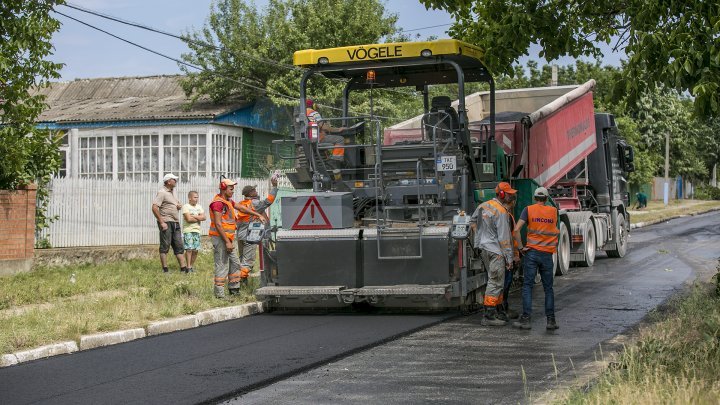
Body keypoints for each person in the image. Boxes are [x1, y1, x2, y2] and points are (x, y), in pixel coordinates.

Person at [470, 182, 518, 326]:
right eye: (509, 193)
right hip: (496, 251)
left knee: (496, 280)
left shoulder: (483, 206)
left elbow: (472, 221)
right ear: (502, 194)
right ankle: (489, 315)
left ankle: (498, 311)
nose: (512, 196)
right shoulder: (501, 212)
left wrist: (478, 240)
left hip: (484, 249)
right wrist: (510, 259)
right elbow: (504, 239)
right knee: (496, 281)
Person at [513, 187, 560, 330]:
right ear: (546, 199)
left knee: (528, 286)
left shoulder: (528, 209)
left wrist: (520, 248)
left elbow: (516, 230)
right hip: (547, 254)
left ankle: (526, 319)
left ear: (534, 198)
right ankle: (551, 321)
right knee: (548, 288)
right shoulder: (553, 211)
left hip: (532, 253)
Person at [237, 177, 278, 283]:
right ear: (250, 194)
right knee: (248, 262)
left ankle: (242, 281)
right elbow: (268, 201)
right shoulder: (255, 204)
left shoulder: (242, 203)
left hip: (241, 235)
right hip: (249, 237)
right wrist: (274, 187)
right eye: (254, 190)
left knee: (242, 259)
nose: (256, 191)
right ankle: (237, 284)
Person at [209, 178, 244, 298]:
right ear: (223, 187)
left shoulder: (228, 201)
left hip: (228, 238)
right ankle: (219, 295)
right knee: (222, 264)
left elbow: (241, 208)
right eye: (231, 188)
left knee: (235, 263)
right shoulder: (218, 203)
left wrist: (257, 214)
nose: (233, 191)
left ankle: (234, 290)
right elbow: (218, 224)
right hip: (220, 238)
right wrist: (227, 242)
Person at [152, 173, 188, 273]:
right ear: (168, 181)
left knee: (179, 245)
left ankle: (183, 269)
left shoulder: (173, 192)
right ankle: (165, 269)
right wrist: (161, 222)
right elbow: (154, 208)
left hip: (175, 222)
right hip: (166, 221)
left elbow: (173, 204)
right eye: (174, 180)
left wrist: (178, 206)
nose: (176, 181)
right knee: (165, 245)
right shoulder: (162, 192)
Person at [306, 98, 346, 168]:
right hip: (318, 138)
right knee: (340, 139)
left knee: (328, 137)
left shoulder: (302, 113)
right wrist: (338, 129)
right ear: (313, 105)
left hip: (308, 138)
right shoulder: (313, 113)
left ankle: (329, 159)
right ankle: (336, 160)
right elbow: (324, 127)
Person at [182, 190, 206, 273]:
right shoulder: (186, 206)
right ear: (190, 198)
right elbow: (188, 219)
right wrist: (198, 217)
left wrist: (194, 216)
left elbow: (204, 217)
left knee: (195, 250)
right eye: (195, 197)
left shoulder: (199, 206)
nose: (196, 199)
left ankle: (191, 266)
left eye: (197, 197)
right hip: (188, 230)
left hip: (197, 230)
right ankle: (188, 267)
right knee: (189, 249)